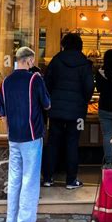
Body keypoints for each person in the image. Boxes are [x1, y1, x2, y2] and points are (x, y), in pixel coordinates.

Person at [0, 46, 51, 222]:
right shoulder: (35, 79)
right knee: (30, 181)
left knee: (14, 180)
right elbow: (47, 104)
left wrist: (10, 132)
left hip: (13, 137)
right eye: (33, 61)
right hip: (31, 136)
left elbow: (2, 113)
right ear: (29, 61)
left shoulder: (5, 82)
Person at [43, 32, 94, 189]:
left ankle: (48, 178)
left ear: (63, 44)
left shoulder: (56, 60)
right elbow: (89, 87)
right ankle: (71, 180)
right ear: (80, 46)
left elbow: (47, 83)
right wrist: (83, 101)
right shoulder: (85, 64)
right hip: (77, 113)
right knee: (73, 143)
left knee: (53, 143)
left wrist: (51, 100)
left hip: (56, 110)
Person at [95, 49, 112, 167]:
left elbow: (98, 89)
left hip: (104, 107)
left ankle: (108, 162)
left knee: (107, 135)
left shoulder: (100, 72)